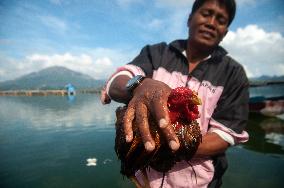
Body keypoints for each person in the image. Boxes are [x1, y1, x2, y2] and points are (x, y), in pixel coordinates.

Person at [101, 0, 249, 187]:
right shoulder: (156, 53)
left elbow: (225, 135)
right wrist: (140, 84)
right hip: (147, 181)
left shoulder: (233, 73)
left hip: (200, 183)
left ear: (225, 32)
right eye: (206, 13)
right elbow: (119, 78)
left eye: (220, 20)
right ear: (189, 19)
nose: (211, 22)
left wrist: (170, 143)